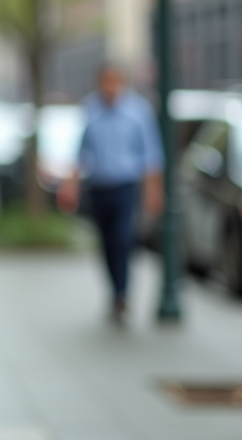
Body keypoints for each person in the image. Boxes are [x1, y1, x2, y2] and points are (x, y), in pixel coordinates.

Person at [58, 64, 164, 324]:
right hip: (99, 185)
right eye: (105, 82)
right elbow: (81, 151)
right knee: (106, 243)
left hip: (126, 186)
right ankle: (115, 292)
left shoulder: (138, 111)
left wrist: (153, 191)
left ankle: (123, 293)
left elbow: (151, 155)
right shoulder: (91, 109)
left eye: (114, 82)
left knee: (123, 239)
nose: (110, 87)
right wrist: (71, 185)